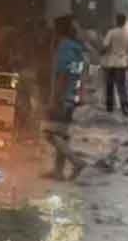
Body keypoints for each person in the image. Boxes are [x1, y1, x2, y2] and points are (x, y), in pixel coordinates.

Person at [42, 15, 87, 181]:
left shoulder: (64, 47)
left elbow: (61, 75)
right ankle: (58, 171)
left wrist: (54, 98)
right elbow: (80, 72)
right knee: (62, 134)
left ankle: (76, 162)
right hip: (73, 94)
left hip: (63, 96)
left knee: (49, 133)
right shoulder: (77, 48)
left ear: (58, 30)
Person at [103, 13, 128, 116]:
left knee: (109, 85)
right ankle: (125, 107)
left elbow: (105, 46)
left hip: (111, 63)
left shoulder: (111, 32)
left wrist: (103, 52)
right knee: (122, 86)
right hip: (122, 63)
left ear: (116, 21)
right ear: (124, 22)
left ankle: (109, 107)